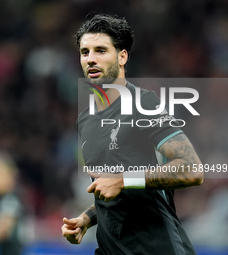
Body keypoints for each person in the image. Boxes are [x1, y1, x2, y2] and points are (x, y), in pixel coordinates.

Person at [61, 14, 204, 255]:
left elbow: (192, 169)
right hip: (110, 249)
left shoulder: (143, 103)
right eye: (85, 52)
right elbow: (112, 189)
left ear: (122, 56)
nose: (91, 59)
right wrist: (87, 218)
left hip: (157, 249)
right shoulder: (85, 119)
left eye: (100, 50)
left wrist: (123, 179)